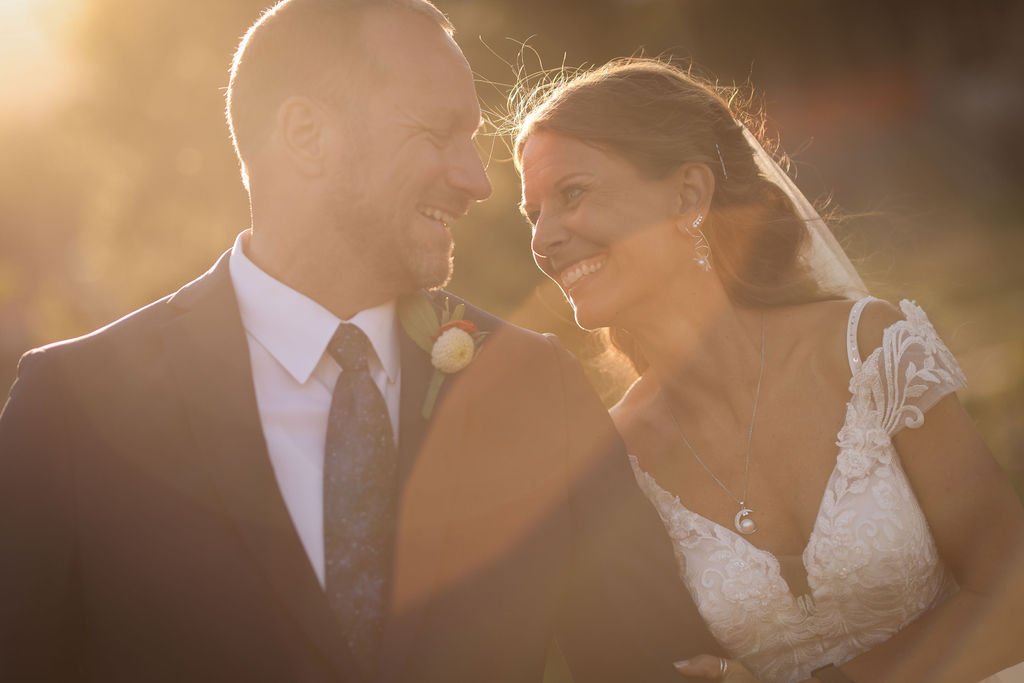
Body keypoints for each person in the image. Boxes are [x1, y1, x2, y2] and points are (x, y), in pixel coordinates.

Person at [0, 6, 721, 682]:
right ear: (308, 135)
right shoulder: (70, 411)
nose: (476, 180)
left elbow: (655, 665)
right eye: (439, 134)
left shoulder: (538, 389)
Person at [514, 58, 1024, 683]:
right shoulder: (619, 457)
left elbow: (1011, 588)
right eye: (532, 214)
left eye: (573, 194)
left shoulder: (866, 351)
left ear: (688, 195)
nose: (542, 240)